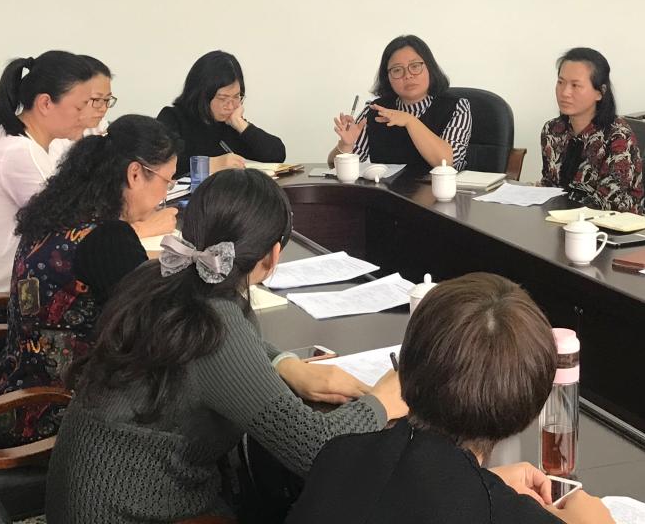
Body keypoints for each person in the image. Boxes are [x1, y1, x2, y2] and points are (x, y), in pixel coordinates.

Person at [45, 169, 406, 523]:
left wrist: (283, 363)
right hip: (131, 509)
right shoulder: (214, 322)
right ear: (273, 255)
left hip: (85, 496)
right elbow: (313, 450)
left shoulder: (159, 277)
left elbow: (223, 352)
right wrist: (380, 403)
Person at [287, 273, 615, 524]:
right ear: (530, 406)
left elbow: (417, 491)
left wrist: (483, 482)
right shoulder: (506, 516)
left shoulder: (339, 456)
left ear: (407, 366)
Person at [0, 115, 180, 446]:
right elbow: (155, 327)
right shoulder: (108, 239)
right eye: (168, 181)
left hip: (18, 401)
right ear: (135, 174)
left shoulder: (54, 214)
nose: (166, 194)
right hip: (63, 420)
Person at [0, 51, 94, 304]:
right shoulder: (18, 153)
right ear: (45, 103)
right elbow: (71, 231)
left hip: (4, 293)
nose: (86, 116)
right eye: (80, 107)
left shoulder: (31, 140)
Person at [330, 34, 472, 171]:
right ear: (388, 77)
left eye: (415, 66)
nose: (408, 75)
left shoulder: (457, 107)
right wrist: (345, 146)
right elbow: (334, 166)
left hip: (441, 187)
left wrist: (410, 120)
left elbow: (446, 162)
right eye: (397, 70)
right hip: (386, 187)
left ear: (429, 68)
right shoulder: (375, 110)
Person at [540, 48, 643, 213]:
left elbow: (609, 204)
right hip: (560, 220)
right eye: (560, 82)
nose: (565, 92)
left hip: (611, 225)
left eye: (575, 85)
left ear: (600, 93)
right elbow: (550, 185)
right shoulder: (552, 130)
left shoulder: (618, 136)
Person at [158, 51, 286, 176]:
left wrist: (241, 124)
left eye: (236, 97)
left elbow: (276, 155)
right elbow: (160, 163)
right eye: (222, 98)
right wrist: (210, 164)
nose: (230, 106)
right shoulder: (172, 117)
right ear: (201, 95)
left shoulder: (229, 124)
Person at [80, 55, 116, 136]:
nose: (103, 109)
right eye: (96, 99)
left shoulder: (99, 127)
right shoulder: (54, 139)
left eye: (107, 99)